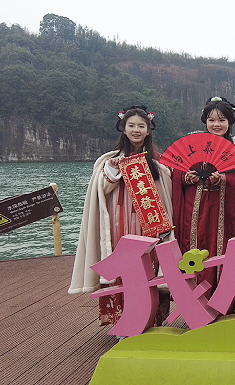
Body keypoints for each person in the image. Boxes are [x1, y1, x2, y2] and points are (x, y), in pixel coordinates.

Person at [69, 105, 172, 328]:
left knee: (148, 265)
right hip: (120, 221)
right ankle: (123, 321)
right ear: (123, 128)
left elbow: (167, 191)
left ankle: (150, 318)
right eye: (131, 125)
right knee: (123, 266)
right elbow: (102, 190)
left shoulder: (158, 162)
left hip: (148, 222)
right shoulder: (110, 159)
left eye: (141, 126)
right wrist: (114, 169)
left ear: (148, 130)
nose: (136, 130)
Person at [172, 97, 235, 298]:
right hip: (194, 210)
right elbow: (176, 173)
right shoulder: (192, 146)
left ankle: (222, 300)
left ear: (230, 122)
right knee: (192, 248)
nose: (216, 125)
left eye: (222, 120)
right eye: (212, 120)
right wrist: (187, 178)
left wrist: (224, 180)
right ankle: (193, 300)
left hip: (224, 212)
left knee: (223, 252)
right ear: (205, 121)